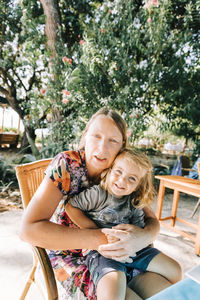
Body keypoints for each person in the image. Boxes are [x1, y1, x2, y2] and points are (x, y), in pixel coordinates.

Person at [20, 107, 179, 299]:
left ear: (122, 146)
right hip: (73, 255)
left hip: (123, 253)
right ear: (85, 135)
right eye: (96, 136)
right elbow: (28, 230)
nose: (102, 148)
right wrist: (102, 239)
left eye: (113, 141)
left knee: (168, 293)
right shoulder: (67, 165)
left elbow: (151, 220)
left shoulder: (122, 168)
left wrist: (142, 237)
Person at [65, 148, 182, 300]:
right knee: (113, 291)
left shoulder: (133, 201)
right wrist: (95, 231)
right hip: (103, 251)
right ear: (109, 171)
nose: (122, 181)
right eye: (118, 172)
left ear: (138, 185)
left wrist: (141, 240)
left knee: (175, 271)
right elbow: (71, 207)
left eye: (132, 179)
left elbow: (141, 233)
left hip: (131, 248)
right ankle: (124, 283)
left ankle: (134, 279)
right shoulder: (98, 193)